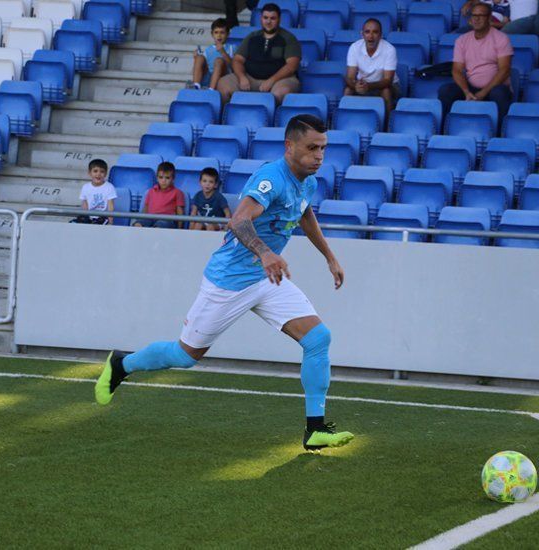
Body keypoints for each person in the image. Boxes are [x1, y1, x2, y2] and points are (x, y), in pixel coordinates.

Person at [95, 115, 354, 453]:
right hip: (229, 282)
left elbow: (304, 214)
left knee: (318, 338)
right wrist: (264, 252)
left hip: (267, 277)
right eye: (311, 148)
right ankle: (121, 364)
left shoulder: (307, 181)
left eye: (323, 148)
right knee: (185, 355)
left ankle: (315, 430)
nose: (319, 155)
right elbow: (239, 220)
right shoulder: (270, 179)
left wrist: (329, 257)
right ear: (290, 147)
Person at [438, 2, 513, 129]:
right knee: (446, 91)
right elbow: (456, 70)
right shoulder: (462, 40)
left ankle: (500, 133)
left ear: (489, 18)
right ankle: (444, 130)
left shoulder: (501, 39)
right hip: (471, 88)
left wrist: (483, 93)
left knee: (500, 93)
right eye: (474, 15)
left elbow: (504, 70)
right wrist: (466, 91)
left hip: (494, 87)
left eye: (481, 15)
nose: (477, 19)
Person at [216, 3, 302, 105]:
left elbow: (292, 66)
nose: (268, 21)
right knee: (223, 84)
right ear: (261, 19)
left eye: (272, 18)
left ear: (279, 19)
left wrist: (271, 80)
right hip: (250, 78)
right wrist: (242, 77)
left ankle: (272, 120)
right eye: (265, 18)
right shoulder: (252, 37)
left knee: (280, 93)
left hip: (280, 80)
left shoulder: (289, 38)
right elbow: (237, 60)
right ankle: (231, 118)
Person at [344, 18, 400, 116]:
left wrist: (368, 86)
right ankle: (345, 123)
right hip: (363, 84)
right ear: (362, 34)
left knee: (386, 91)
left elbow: (388, 80)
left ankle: (386, 128)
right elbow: (349, 77)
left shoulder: (390, 49)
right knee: (348, 90)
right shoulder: (354, 47)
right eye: (367, 32)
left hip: (387, 85)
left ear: (381, 35)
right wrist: (355, 86)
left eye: (375, 32)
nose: (371, 36)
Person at [133, 162, 185, 229]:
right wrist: (141, 219)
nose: (163, 180)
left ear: (173, 179)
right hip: (150, 218)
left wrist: (179, 229)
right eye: (161, 177)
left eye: (167, 178)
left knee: (159, 227)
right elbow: (146, 208)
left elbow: (180, 212)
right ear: (157, 178)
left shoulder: (177, 192)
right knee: (137, 225)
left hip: (167, 220)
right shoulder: (151, 191)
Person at [191, 18, 234, 91]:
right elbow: (200, 67)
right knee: (200, 58)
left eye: (222, 32)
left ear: (228, 34)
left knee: (219, 60)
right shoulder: (208, 49)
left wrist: (223, 52)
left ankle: (211, 90)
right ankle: (196, 86)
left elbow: (233, 66)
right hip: (209, 78)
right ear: (212, 34)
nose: (219, 35)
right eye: (216, 32)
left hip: (223, 78)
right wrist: (196, 59)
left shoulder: (231, 48)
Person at [74, 158, 116, 225]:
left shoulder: (109, 187)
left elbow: (111, 206)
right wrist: (85, 217)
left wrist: (110, 220)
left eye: (102, 171)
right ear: (90, 173)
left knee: (99, 223)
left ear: (105, 174)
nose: (98, 174)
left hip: (102, 217)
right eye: (95, 171)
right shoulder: (85, 187)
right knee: (74, 223)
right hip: (89, 217)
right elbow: (85, 204)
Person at [189, 167, 231, 231]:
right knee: (198, 224)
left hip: (217, 222)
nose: (207, 184)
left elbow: (228, 213)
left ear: (216, 185)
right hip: (204, 220)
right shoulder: (197, 195)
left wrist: (225, 229)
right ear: (200, 182)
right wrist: (190, 230)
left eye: (211, 182)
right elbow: (193, 213)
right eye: (204, 181)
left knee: (210, 226)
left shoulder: (219, 197)